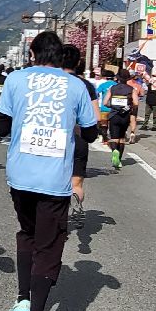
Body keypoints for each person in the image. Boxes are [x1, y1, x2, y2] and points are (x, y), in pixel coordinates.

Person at [0, 30, 98, 311]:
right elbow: (92, 132)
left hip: (20, 174)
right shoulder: (76, 86)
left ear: (32, 53)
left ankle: (22, 301)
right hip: (54, 180)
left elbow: (1, 127)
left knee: (27, 235)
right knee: (50, 247)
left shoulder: (15, 79)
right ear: (62, 56)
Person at [61, 44, 98, 214]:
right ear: (77, 63)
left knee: (52, 181)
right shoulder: (86, 85)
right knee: (76, 183)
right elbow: (95, 116)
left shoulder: (50, 81)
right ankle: (76, 203)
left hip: (52, 136)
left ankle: (57, 215)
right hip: (78, 137)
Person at [105, 68, 137, 171]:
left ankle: (114, 150)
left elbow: (105, 102)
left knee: (114, 137)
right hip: (125, 116)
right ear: (128, 78)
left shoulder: (112, 88)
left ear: (118, 78)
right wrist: (129, 106)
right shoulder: (131, 89)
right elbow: (136, 103)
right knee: (122, 138)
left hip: (114, 115)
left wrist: (113, 105)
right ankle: (118, 159)